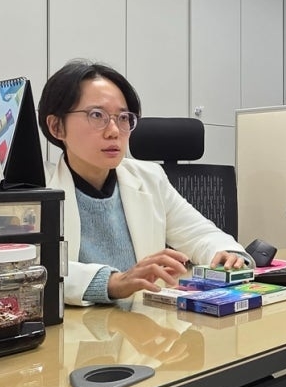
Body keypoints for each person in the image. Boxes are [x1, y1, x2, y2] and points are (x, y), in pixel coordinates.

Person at [38, 59, 249, 306]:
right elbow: (31, 268)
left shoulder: (149, 178)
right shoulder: (34, 189)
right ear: (56, 127)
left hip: (144, 321)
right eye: (97, 115)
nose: (114, 131)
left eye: (123, 118)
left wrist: (228, 255)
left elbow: (200, 234)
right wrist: (112, 282)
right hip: (75, 326)